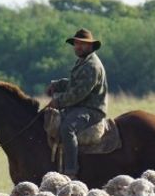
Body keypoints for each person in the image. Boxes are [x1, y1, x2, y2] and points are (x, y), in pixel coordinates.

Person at [46, 28, 108, 179]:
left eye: (83, 44)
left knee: (67, 128)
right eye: (76, 43)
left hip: (91, 109)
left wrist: (58, 101)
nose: (78, 46)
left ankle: (71, 171)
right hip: (80, 106)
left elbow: (79, 93)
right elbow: (75, 84)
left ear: (91, 46)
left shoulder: (92, 66)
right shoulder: (83, 61)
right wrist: (57, 84)